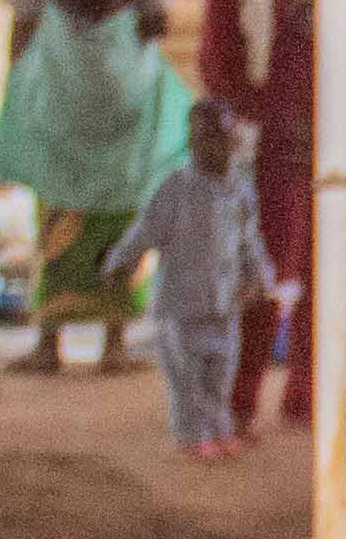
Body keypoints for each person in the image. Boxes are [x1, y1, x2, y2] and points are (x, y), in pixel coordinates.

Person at [0, 0, 183, 371]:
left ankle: (49, 343)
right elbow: (156, 21)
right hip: (121, 99)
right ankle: (114, 344)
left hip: (60, 99)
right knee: (119, 211)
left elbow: (24, 24)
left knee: (57, 210)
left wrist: (18, 90)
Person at [201, 0, 321, 433]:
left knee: (318, 278)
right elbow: (220, 74)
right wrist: (276, 124)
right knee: (261, 279)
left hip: (310, 150)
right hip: (262, 155)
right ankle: (239, 402)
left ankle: (305, 395)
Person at [109, 100, 265, 459]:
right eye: (206, 140)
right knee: (186, 374)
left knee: (221, 370)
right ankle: (192, 433)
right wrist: (121, 262)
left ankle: (219, 428)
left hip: (224, 300)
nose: (216, 148)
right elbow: (145, 230)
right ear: (193, 143)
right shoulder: (176, 188)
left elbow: (249, 239)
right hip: (179, 302)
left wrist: (258, 276)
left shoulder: (240, 189)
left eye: (223, 140)